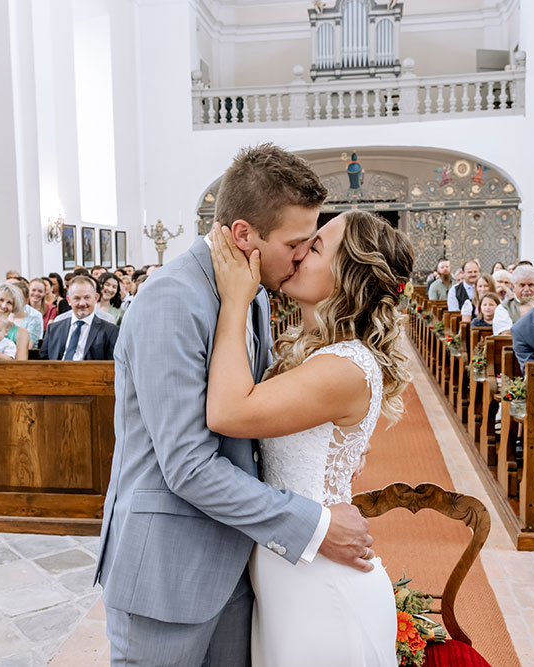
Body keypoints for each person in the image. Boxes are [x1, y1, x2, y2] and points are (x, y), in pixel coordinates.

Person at [96, 144, 375, 666]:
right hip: (168, 572)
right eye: (295, 243)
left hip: (240, 562)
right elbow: (188, 465)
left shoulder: (254, 291)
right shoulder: (172, 299)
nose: (299, 257)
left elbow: (246, 423)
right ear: (245, 234)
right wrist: (312, 522)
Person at [206, 211, 411, 666]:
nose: (298, 253)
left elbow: (226, 412)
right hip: (287, 568)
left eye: (314, 247)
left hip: (322, 584)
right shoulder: (314, 350)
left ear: (347, 279)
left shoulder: (344, 365)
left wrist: (234, 301)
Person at [39, 275, 119, 361]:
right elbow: (43, 363)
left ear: (96, 298)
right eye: (76, 298)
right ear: (69, 300)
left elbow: (112, 366)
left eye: (87, 297)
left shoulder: (110, 331)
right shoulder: (54, 329)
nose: (82, 303)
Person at [492, 265, 534, 335]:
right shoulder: (503, 309)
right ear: (513, 286)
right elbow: (505, 335)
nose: (526, 289)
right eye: (522, 285)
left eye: (530, 285)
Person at [6, 278, 44, 347]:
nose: (15, 299)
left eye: (19, 297)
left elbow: (28, 347)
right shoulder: (4, 318)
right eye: (13, 296)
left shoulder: (33, 321)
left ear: (26, 300)